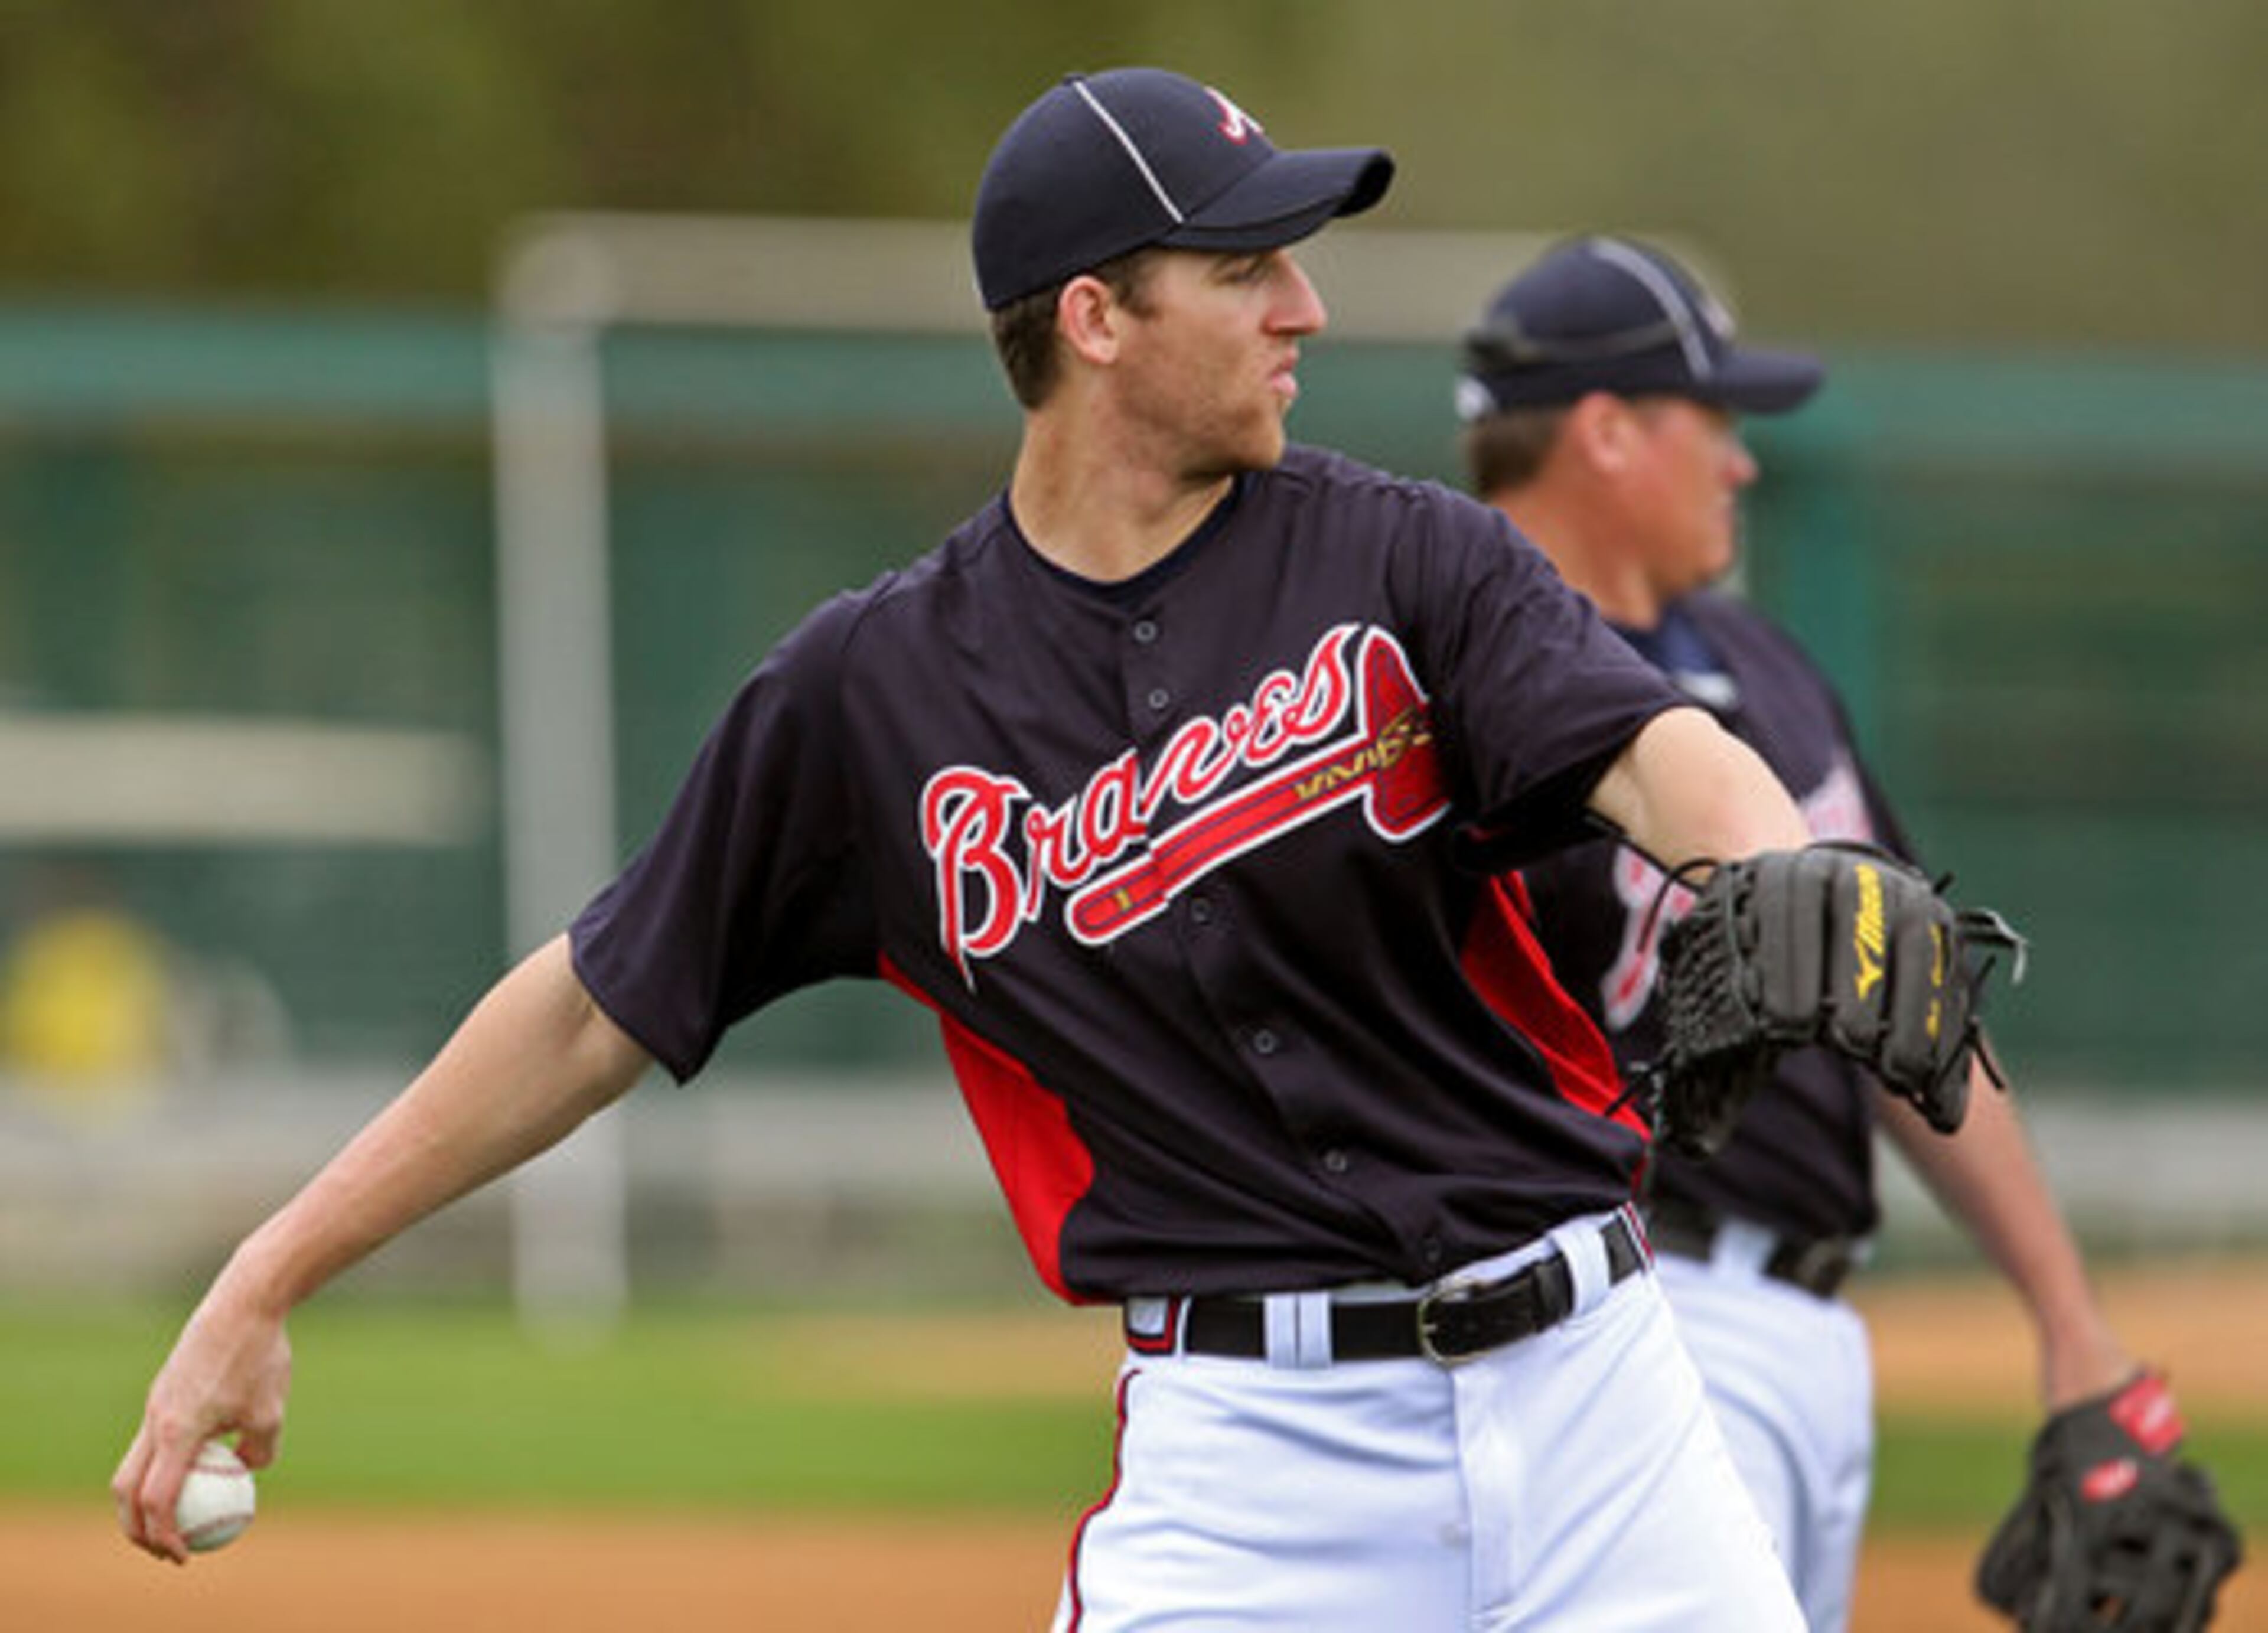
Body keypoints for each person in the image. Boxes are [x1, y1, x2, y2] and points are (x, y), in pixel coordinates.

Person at [112, 71, 1850, 1630]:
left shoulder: (1410, 560)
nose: (1303, 306)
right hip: (1255, 1468)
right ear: (1096, 317)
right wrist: (268, 1273)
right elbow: (587, 1007)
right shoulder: (873, 696)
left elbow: (1655, 750)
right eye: (1247, 269)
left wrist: (1785, 873)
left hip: (1595, 1392)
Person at [1455, 234, 2148, 1631]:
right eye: (1713, 420)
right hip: (1638, 1307)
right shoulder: (1464, 703)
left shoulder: (1763, 666)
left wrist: (2067, 1314)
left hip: (1811, 1331)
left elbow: (1915, 1011)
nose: (1743, 461)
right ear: (1604, 434)